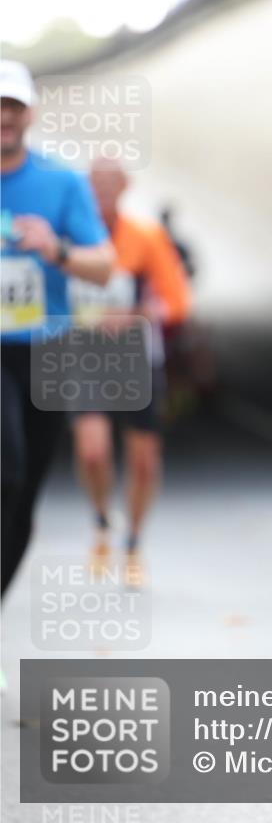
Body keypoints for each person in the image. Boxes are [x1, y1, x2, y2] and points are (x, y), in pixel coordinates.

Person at [1, 61, 113, 595]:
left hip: (46, 350)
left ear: (29, 114)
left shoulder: (61, 181)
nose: (4, 116)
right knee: (6, 469)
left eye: (13, 107)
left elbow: (104, 264)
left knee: (23, 492)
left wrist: (56, 248)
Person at [68, 157, 191, 586]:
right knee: (92, 452)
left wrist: (137, 313)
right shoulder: (72, 237)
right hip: (85, 358)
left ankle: (134, 543)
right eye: (94, 183)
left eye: (109, 182)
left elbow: (176, 300)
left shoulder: (146, 236)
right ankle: (102, 520)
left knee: (142, 460)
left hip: (139, 360)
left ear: (125, 186)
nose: (101, 190)